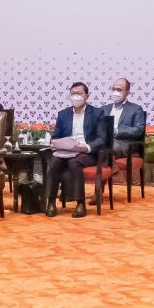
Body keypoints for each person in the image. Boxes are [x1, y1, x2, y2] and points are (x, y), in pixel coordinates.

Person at [44, 83, 107, 218]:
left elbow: (102, 138)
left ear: (87, 96)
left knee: (74, 162)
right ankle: (51, 202)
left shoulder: (97, 113)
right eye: (73, 93)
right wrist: (55, 144)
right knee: (54, 163)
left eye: (79, 93)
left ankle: (80, 203)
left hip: (86, 152)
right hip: (66, 151)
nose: (75, 96)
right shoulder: (63, 114)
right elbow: (56, 137)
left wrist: (87, 147)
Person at [107, 78, 147, 163]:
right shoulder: (104, 109)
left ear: (127, 93)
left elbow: (138, 130)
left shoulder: (136, 109)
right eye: (113, 89)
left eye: (119, 90)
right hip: (105, 141)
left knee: (107, 147)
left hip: (124, 143)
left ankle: (107, 170)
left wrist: (116, 131)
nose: (115, 92)